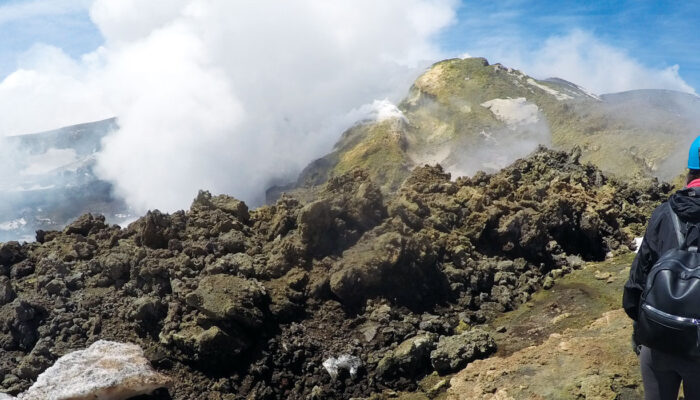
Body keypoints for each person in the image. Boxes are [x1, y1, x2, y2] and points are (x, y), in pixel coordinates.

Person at [623, 136, 700, 400]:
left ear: (689, 173)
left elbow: (637, 281)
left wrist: (640, 327)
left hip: (658, 340)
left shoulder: (664, 213)